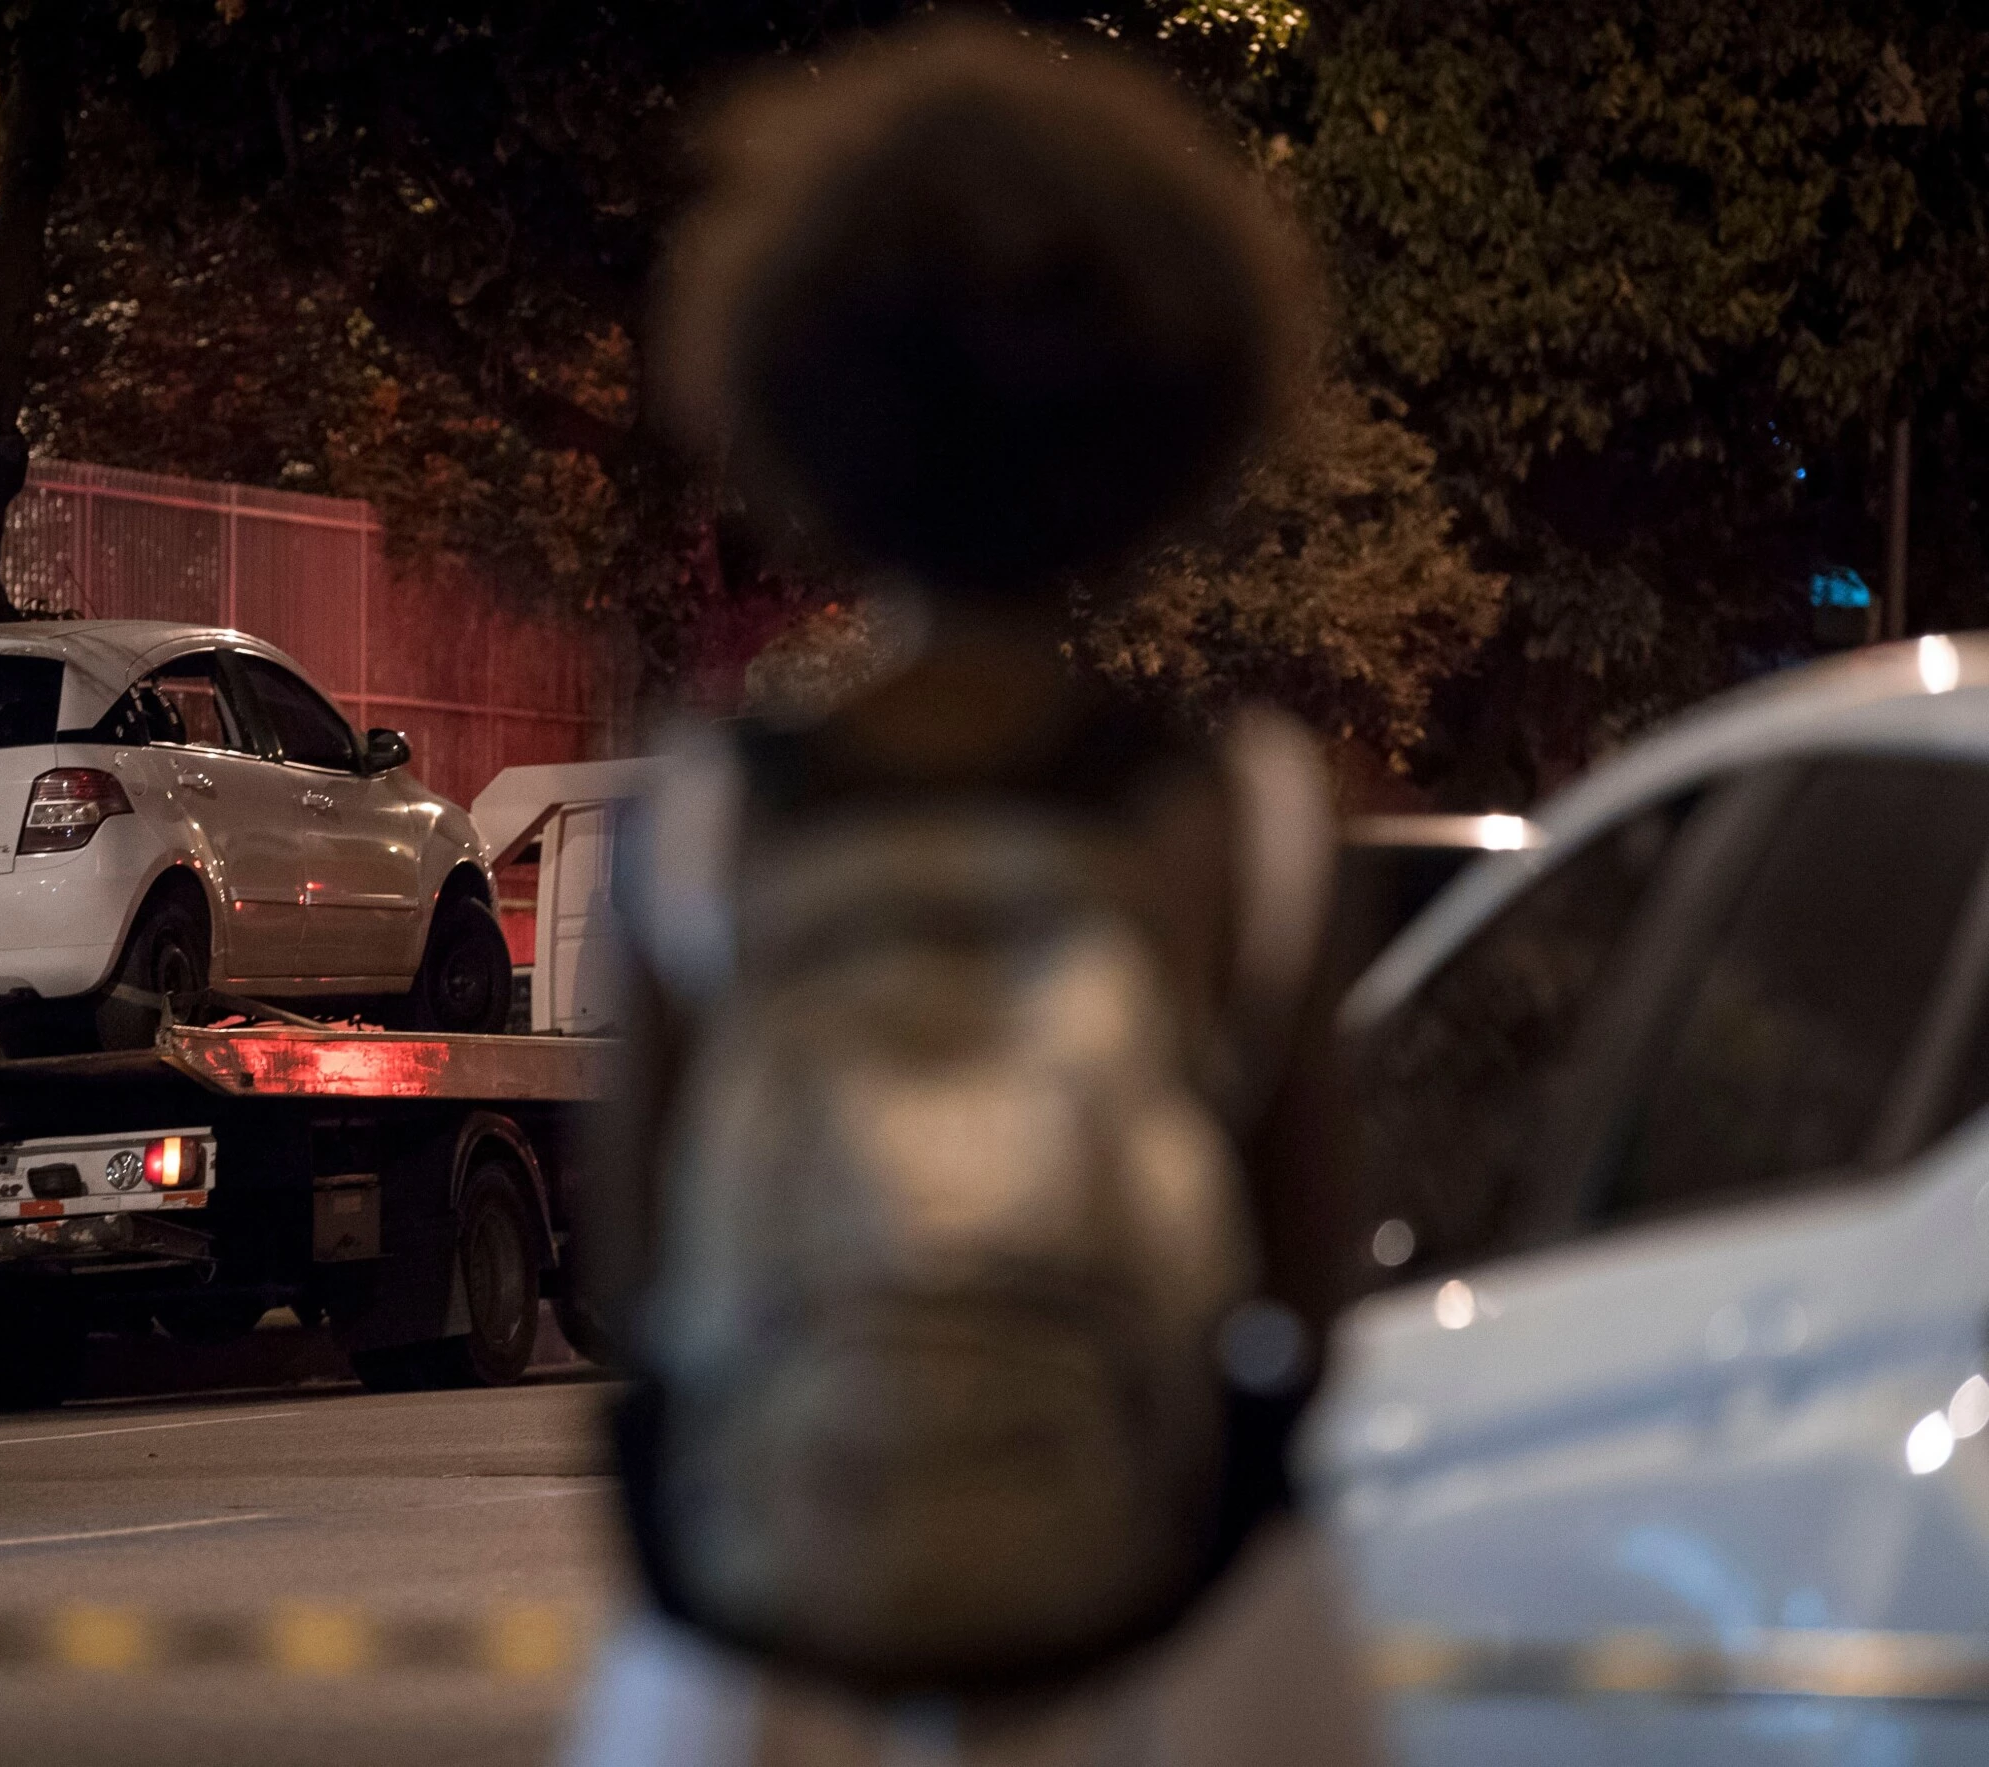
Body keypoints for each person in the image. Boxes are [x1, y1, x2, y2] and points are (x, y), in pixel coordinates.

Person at [562, 17, 1376, 1766]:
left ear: (815, 404)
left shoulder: (709, 812)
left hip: (786, 1643)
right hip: (1153, 1663)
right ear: (1159, 417)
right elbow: (1303, 1304)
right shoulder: (1239, 815)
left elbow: (637, 1283)